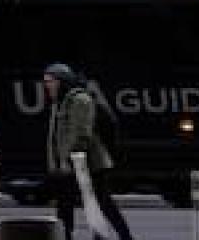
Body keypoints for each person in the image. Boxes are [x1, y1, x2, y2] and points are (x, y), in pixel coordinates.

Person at [44, 63, 134, 240]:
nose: (47, 85)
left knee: (102, 203)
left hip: (89, 164)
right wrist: (56, 162)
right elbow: (55, 136)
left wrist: (71, 159)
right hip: (67, 164)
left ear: (62, 81)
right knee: (65, 206)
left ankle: (125, 236)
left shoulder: (80, 100)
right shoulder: (58, 102)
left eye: (51, 81)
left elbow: (81, 133)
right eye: (46, 81)